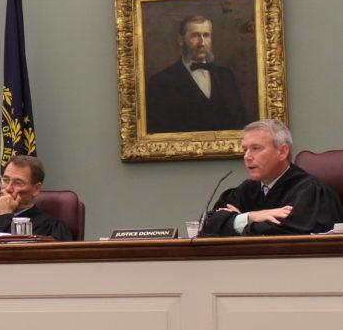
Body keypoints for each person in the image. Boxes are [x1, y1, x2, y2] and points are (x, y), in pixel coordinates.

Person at [200, 119, 343, 236]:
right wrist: (251, 217)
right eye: (245, 149)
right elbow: (205, 225)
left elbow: (280, 234)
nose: (247, 157)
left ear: (282, 151)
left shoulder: (310, 191)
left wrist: (234, 222)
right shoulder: (247, 190)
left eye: (256, 148)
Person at [145, 15, 249, 133]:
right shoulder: (160, 82)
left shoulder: (226, 76)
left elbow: (241, 125)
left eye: (206, 35)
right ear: (180, 40)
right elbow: (158, 132)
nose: (202, 43)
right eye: (195, 36)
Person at [0, 155, 73, 241]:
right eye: (5, 180)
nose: (8, 188)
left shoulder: (51, 227)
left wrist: (5, 216)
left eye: (18, 182)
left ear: (36, 189)